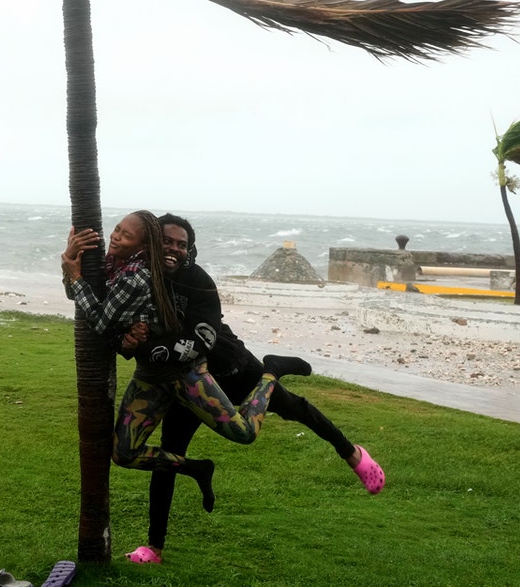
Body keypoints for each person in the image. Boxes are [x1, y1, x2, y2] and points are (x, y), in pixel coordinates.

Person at [122, 213, 385, 564]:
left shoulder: (199, 281)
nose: (173, 249)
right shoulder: (141, 277)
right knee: (169, 455)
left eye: (181, 244)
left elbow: (204, 338)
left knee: (294, 409)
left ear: (190, 250)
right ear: (154, 243)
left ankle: (351, 452)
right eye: (167, 241)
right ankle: (153, 547)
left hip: (232, 368)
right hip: (184, 382)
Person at [62, 211, 295, 513]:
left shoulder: (138, 276)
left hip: (186, 374)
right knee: (123, 453)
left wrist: (79, 280)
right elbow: (82, 298)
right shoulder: (116, 265)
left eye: (126, 234)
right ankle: (196, 469)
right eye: (166, 242)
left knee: (245, 433)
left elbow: (102, 320)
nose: (116, 237)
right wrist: (71, 259)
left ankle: (271, 372)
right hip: (151, 375)